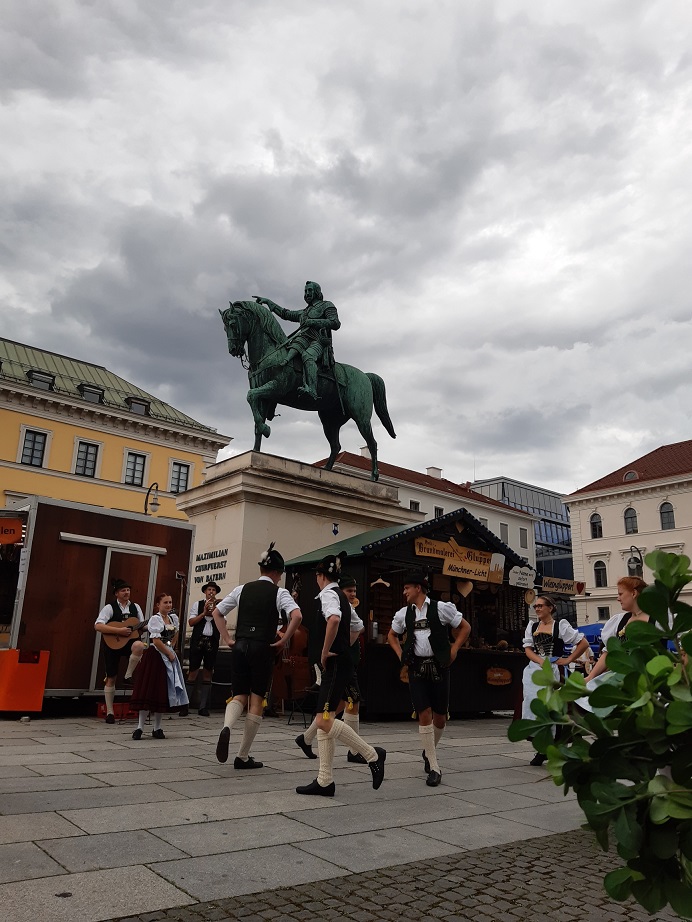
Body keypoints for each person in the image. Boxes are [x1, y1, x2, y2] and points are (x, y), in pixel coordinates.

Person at [296, 553, 386, 797]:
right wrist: (345, 645)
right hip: (343, 662)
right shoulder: (343, 598)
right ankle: (325, 781)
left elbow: (334, 619)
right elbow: (359, 627)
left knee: (324, 719)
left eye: (317, 576)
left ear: (321, 576)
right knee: (325, 716)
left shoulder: (328, 594)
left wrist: (326, 650)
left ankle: (372, 755)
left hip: (334, 664)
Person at [212, 543, 302, 767]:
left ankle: (227, 726)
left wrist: (228, 639)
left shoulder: (242, 589)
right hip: (262, 648)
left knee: (238, 695)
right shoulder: (279, 592)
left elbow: (217, 612)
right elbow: (297, 616)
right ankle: (242, 756)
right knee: (256, 699)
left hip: (240, 645)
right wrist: (283, 639)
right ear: (277, 573)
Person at [387, 572, 470, 787]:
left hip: (440, 665)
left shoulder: (441, 608)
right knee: (424, 713)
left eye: (407, 588)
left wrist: (454, 649)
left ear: (418, 588)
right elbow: (392, 635)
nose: (404, 592)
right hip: (416, 667)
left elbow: (465, 627)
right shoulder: (404, 613)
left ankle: (428, 750)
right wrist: (401, 655)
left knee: (440, 717)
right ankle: (434, 766)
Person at [294, 574, 365, 763]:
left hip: (343, 661)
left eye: (354, 591)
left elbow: (359, 626)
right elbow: (335, 623)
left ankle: (307, 739)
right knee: (342, 705)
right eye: (349, 591)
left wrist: (347, 644)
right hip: (336, 661)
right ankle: (360, 752)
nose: (352, 594)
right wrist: (330, 650)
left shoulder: (344, 606)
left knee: (343, 703)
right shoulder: (332, 601)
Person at [521, 595, 589, 765]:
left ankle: (555, 747)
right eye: (536, 606)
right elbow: (528, 649)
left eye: (540, 606)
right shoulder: (533, 626)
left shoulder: (560, 626)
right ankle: (541, 748)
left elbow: (583, 643)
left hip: (554, 670)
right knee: (535, 705)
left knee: (553, 707)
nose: (537, 609)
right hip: (535, 670)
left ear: (550, 608)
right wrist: (540, 661)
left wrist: (568, 659)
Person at [254, 281, 340, 401]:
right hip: (303, 340)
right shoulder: (304, 312)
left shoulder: (326, 305)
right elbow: (286, 314)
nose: (307, 293)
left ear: (316, 292)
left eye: (310, 290)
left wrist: (313, 322)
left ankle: (312, 390)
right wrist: (269, 302)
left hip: (319, 341)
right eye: (305, 291)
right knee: (290, 350)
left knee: (307, 356)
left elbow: (335, 323)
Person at [576, 577, 651, 714]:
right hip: (620, 678)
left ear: (634, 593)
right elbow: (610, 653)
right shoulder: (620, 621)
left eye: (621, 594)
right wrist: (590, 677)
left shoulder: (657, 619)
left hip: (650, 678)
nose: (618, 598)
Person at [129, 592, 189, 739]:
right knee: (148, 690)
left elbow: (175, 634)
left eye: (170, 602)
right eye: (165, 602)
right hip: (155, 657)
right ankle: (140, 727)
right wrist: (169, 653)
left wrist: (171, 647)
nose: (168, 605)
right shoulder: (155, 619)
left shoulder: (173, 618)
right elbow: (156, 641)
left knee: (162, 691)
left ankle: (158, 727)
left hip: (167, 655)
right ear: (158, 604)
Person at [94, 578, 146, 724]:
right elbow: (98, 626)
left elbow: (142, 626)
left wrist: (156, 623)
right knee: (111, 677)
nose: (127, 592)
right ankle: (110, 712)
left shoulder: (135, 607)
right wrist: (119, 631)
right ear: (116, 593)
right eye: (123, 590)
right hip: (113, 644)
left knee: (140, 645)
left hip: (130, 643)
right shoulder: (109, 608)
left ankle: (128, 675)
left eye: (128, 590)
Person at [184, 581, 222, 716]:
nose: (211, 592)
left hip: (212, 641)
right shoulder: (197, 604)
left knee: (208, 671)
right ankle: (185, 705)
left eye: (213, 590)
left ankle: (203, 707)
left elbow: (223, 623)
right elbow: (191, 622)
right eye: (209, 590)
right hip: (198, 641)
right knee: (193, 671)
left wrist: (216, 612)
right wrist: (204, 613)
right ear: (205, 592)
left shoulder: (220, 606)